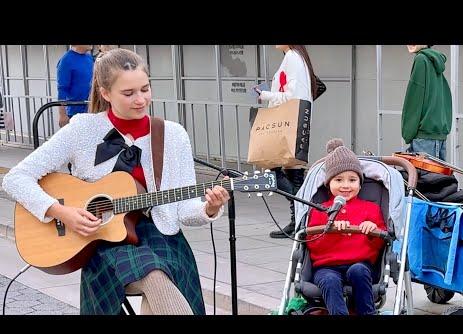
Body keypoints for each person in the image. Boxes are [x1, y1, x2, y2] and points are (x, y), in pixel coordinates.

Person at [2, 48, 230, 315]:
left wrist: (209, 208)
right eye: (129, 93)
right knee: (155, 274)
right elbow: (15, 178)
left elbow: (184, 210)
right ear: (105, 93)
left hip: (163, 239)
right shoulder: (82, 129)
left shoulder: (173, 135)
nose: (141, 100)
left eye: (145, 89)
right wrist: (62, 211)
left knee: (160, 276)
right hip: (104, 243)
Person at [305, 138, 386, 315]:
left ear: (360, 182)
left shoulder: (370, 208)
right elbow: (311, 242)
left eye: (352, 180)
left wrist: (372, 230)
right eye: (339, 180)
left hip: (360, 263)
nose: (346, 185)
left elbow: (382, 243)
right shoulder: (321, 210)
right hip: (326, 266)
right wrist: (330, 228)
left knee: (359, 271)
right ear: (329, 183)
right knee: (329, 280)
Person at [254, 45, 316, 238]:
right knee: (294, 174)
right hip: (294, 123)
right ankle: (299, 221)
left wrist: (265, 95)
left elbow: (292, 96)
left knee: (274, 170)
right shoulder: (297, 57)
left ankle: (300, 218)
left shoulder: (292, 57)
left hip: (288, 123)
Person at [402, 45, 452, 161]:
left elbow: (414, 99)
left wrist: (408, 133)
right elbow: (445, 98)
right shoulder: (435, 62)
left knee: (420, 178)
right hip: (439, 136)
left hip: (424, 139)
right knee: (439, 178)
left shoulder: (421, 59)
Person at [56, 45, 94, 127]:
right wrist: (62, 114)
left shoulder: (89, 58)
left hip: (91, 111)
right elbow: (62, 90)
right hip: (74, 113)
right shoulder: (66, 61)